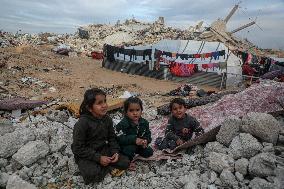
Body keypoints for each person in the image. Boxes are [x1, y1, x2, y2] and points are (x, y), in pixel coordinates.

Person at [71, 88, 130, 184]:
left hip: (103, 149)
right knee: (92, 175)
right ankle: (108, 167)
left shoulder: (107, 120)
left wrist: (115, 152)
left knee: (125, 162)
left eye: (105, 101)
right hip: (87, 154)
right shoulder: (82, 123)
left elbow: (112, 138)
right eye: (99, 103)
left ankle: (106, 166)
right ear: (90, 108)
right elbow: (77, 148)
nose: (104, 105)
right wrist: (98, 158)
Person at [115, 97, 153, 161]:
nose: (135, 113)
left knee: (149, 152)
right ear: (126, 112)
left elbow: (148, 134)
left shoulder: (144, 122)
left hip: (139, 145)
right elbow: (118, 138)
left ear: (141, 110)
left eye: (137, 110)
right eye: (131, 110)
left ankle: (135, 153)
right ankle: (128, 160)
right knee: (129, 150)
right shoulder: (123, 124)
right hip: (127, 145)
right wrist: (134, 140)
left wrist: (146, 141)